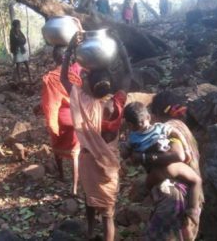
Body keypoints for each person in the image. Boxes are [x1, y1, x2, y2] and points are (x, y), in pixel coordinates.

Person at [60, 32, 131, 241]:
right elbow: (127, 73)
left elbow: (64, 78)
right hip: (109, 165)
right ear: (110, 83)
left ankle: (90, 233)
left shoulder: (84, 101)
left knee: (89, 199)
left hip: (89, 161)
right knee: (108, 215)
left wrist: (70, 49)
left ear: (89, 85)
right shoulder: (117, 103)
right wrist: (119, 43)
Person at [122, 102, 202, 223]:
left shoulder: (132, 138)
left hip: (152, 172)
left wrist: (126, 156)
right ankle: (193, 210)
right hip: (170, 166)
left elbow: (127, 154)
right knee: (197, 180)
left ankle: (154, 200)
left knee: (150, 187)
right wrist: (186, 149)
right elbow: (177, 134)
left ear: (129, 124)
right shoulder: (161, 127)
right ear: (148, 117)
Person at [41, 46, 82, 195]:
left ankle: (61, 175)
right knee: (75, 154)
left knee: (57, 148)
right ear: (70, 58)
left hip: (60, 120)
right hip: (75, 118)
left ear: (54, 58)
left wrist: (52, 125)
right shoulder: (76, 74)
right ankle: (75, 187)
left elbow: (50, 104)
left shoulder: (50, 78)